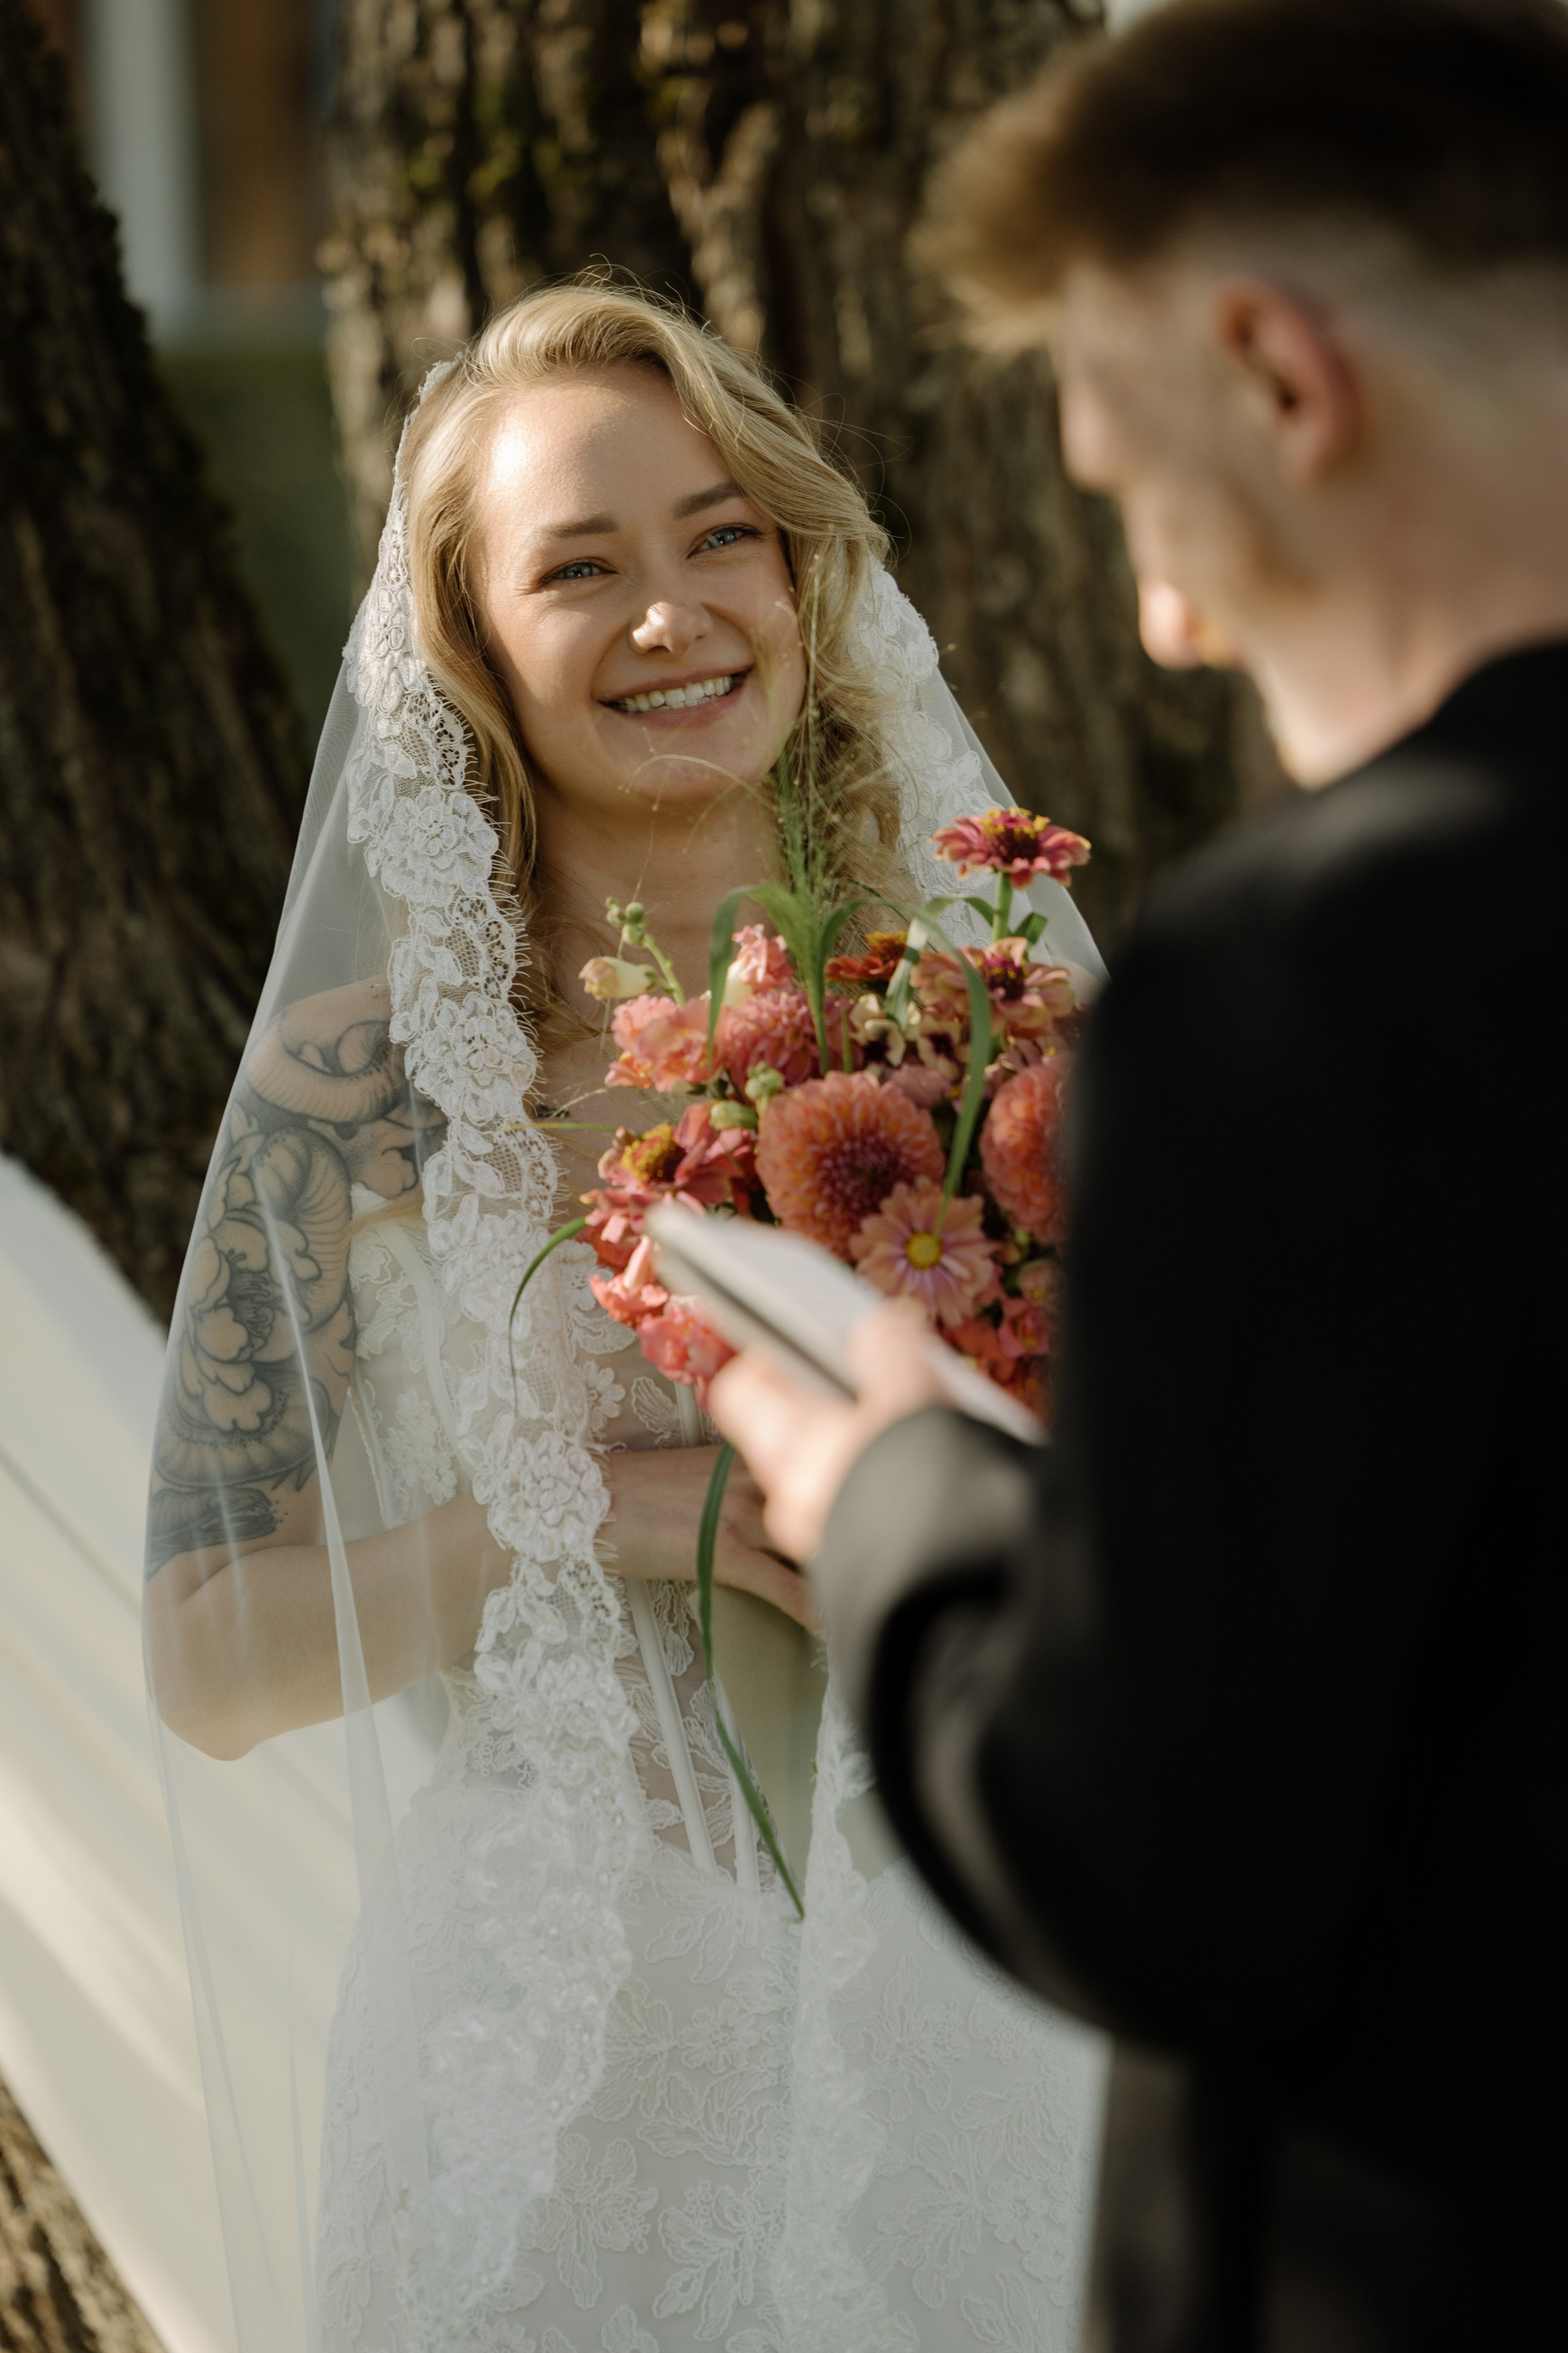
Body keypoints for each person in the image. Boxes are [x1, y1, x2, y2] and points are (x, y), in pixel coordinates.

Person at [710, 3, 1568, 2349]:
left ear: (1283, 382)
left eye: (1121, 483)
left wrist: (900, 1494)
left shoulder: (1322, 984)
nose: (1163, 619)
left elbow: (1165, 1869)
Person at [142, 280, 1109, 2353]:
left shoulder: (1006, 1035)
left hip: (970, 2022)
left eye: (719, 533)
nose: (673, 611)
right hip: (545, 2056)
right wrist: (583, 1513)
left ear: (797, 567)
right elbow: (207, 1661)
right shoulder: (365, 1083)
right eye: (579, 567)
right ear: (475, 653)